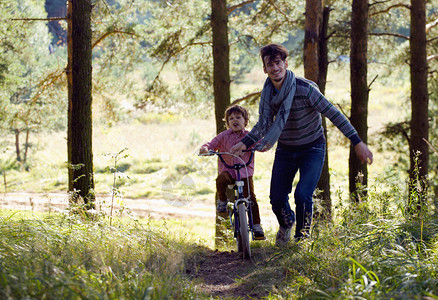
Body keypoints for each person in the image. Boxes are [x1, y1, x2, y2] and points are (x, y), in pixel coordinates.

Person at [230, 44, 373, 246]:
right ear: (265, 69)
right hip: (286, 149)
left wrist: (357, 142)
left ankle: (302, 239)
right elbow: (263, 125)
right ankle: (287, 223)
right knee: (277, 198)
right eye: (269, 65)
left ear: (285, 64)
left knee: (303, 194)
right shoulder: (268, 94)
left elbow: (333, 113)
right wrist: (244, 143)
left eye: (278, 63)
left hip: (312, 148)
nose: (275, 68)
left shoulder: (305, 89)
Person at [200, 104, 265, 239]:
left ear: (245, 121)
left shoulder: (250, 136)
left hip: (245, 173)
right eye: (231, 118)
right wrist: (206, 149)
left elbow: (262, 143)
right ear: (227, 122)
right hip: (228, 171)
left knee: (251, 198)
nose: (235, 120)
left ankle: (257, 226)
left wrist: (261, 145)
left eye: (238, 117)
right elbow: (211, 144)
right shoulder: (223, 136)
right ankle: (222, 201)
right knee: (221, 180)